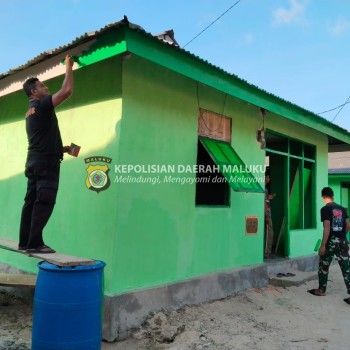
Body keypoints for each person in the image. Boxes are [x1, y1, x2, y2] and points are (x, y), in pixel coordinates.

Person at [18, 55, 74, 253]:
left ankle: (25, 242)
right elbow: (66, 91)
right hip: (45, 164)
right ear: (34, 91)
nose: (46, 88)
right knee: (45, 201)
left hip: (34, 162)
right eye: (42, 86)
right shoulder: (41, 106)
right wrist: (69, 67)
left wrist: (63, 149)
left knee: (31, 202)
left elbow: (41, 139)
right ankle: (34, 244)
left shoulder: (30, 111)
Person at [308, 187, 350, 305]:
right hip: (343, 241)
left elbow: (327, 227)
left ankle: (321, 290)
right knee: (346, 268)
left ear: (323, 197)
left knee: (324, 265)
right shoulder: (342, 208)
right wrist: (341, 236)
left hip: (331, 242)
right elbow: (348, 225)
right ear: (333, 196)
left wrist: (323, 245)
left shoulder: (325, 209)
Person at [264, 169, 276, 259]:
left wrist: (270, 197)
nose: (269, 179)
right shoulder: (263, 188)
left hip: (267, 213)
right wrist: (266, 212)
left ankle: (267, 251)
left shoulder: (265, 189)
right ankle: (266, 252)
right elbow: (263, 201)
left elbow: (265, 198)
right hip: (266, 214)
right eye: (268, 177)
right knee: (269, 232)